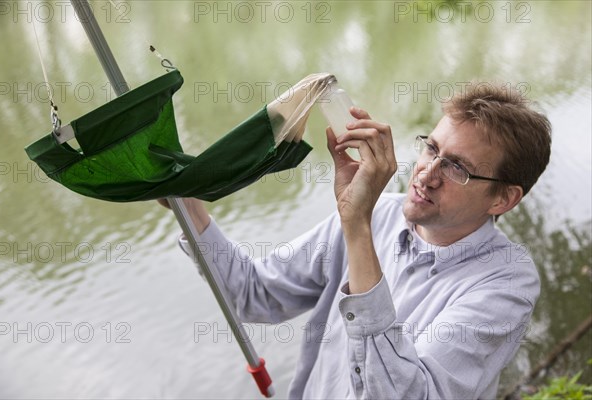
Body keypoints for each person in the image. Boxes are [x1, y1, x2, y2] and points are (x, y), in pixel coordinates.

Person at [161, 82, 552, 399]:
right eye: (431, 148)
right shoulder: (380, 212)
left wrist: (357, 224)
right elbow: (253, 294)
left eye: (457, 168)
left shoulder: (506, 285)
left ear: (503, 198)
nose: (427, 174)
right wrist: (188, 205)